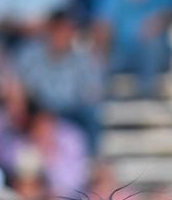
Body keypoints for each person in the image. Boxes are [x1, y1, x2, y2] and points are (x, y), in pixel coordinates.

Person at [13, 9, 104, 153]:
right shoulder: (30, 55)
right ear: (49, 31)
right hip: (38, 109)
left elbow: (92, 91)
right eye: (58, 29)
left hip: (70, 111)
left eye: (67, 30)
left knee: (91, 114)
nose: (62, 35)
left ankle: (91, 161)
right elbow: (22, 86)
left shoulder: (83, 59)